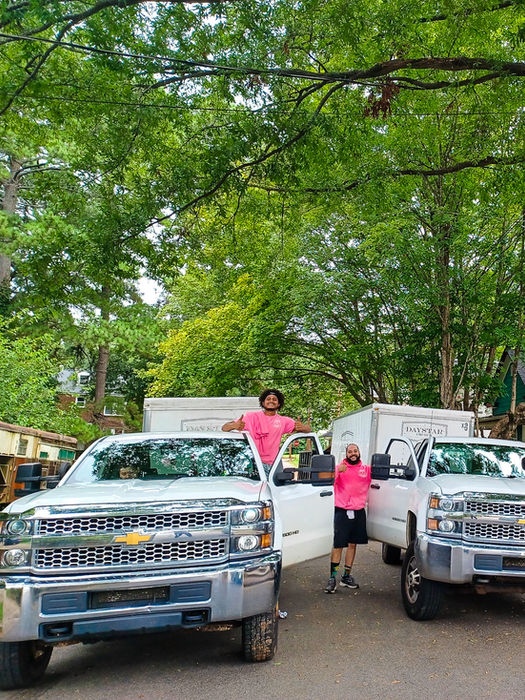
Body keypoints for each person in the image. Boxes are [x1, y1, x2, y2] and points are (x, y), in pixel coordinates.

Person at [221, 389, 310, 473]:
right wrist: (234, 426)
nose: (271, 401)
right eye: (268, 399)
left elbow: (309, 430)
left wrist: (302, 428)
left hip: (274, 464)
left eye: (274, 399)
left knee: (278, 484)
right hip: (254, 463)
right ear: (263, 402)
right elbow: (224, 428)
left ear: (279, 404)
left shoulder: (284, 421)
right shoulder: (251, 417)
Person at [324, 443, 371, 593]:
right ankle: (332, 578)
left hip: (358, 512)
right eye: (350, 451)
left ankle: (346, 576)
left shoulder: (366, 470)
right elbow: (326, 480)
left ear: (359, 452)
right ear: (346, 454)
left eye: (355, 451)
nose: (353, 453)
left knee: (352, 545)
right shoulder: (340, 468)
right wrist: (338, 471)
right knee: (338, 545)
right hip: (342, 511)